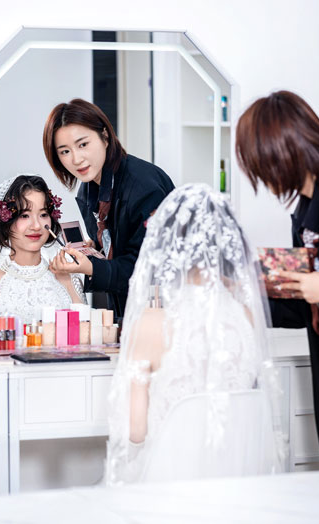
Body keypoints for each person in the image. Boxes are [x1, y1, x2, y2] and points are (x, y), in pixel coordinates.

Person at [104, 183, 284, 485]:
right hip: (237, 481)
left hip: (170, 482)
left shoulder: (151, 323)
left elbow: (135, 431)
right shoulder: (246, 315)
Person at [236, 90, 319, 469]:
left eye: (260, 164)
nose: (261, 177)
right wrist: (250, 295)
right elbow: (305, 309)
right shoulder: (304, 212)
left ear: (283, 151)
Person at [43, 98, 174, 319]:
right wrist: (96, 250)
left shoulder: (144, 187)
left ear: (104, 136)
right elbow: (120, 252)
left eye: (83, 144)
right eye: (64, 151)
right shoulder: (87, 190)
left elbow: (148, 269)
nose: (76, 159)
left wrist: (91, 268)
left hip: (162, 312)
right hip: (125, 312)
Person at [0, 175, 84, 322]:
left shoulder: (68, 279)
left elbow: (83, 328)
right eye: (24, 215)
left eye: (43, 214)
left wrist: (68, 281)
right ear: (6, 219)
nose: (36, 226)